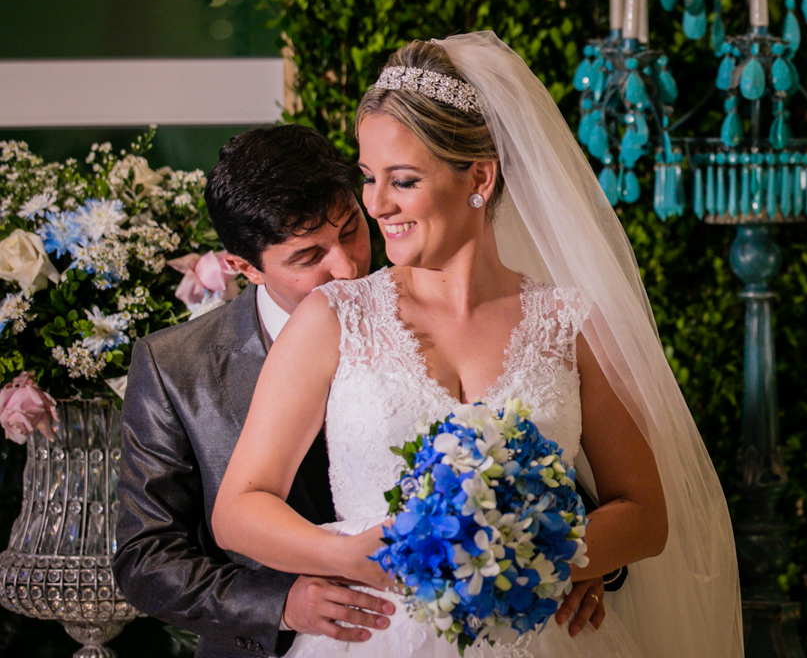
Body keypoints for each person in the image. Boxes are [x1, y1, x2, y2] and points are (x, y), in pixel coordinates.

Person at [211, 33, 743, 657]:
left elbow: (644, 513)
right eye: (369, 178)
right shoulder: (334, 318)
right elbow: (239, 508)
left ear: (479, 179)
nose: (377, 205)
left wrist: (538, 558)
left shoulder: (567, 324)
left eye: (402, 180)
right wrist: (343, 555)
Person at [113, 125, 390, 657]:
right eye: (309, 258)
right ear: (244, 267)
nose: (349, 266)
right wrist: (279, 603)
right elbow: (146, 557)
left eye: (352, 228)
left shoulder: (435, 309)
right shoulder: (175, 367)